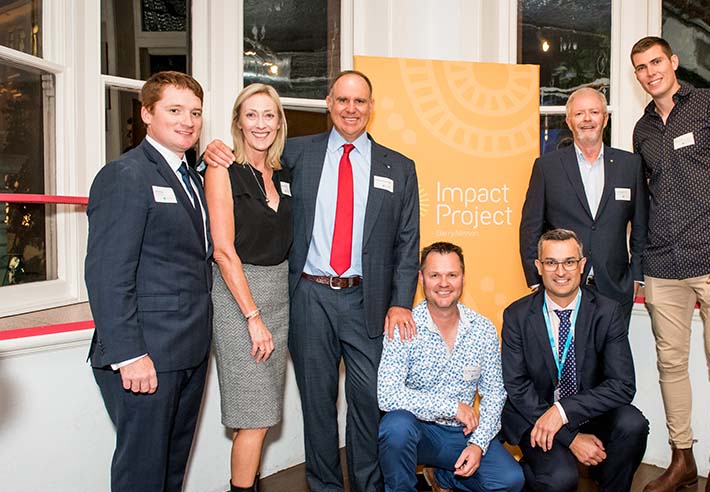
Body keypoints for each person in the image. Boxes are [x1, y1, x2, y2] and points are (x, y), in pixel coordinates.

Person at [202, 70, 420, 492]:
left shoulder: (399, 167)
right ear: (328, 103)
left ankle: (367, 485)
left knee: (367, 400)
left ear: (371, 107)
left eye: (359, 101)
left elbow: (408, 241)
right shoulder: (296, 153)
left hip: (368, 300)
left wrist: (401, 302)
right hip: (308, 297)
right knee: (316, 403)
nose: (351, 109)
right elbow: (245, 163)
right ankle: (324, 486)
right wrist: (210, 152)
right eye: (343, 100)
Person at [630, 36, 710, 492]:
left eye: (656, 62)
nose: (650, 72)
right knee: (670, 365)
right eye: (641, 67)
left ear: (673, 61)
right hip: (663, 264)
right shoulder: (642, 129)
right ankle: (682, 459)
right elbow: (646, 198)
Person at [85, 71, 211, 492]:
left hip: (188, 350)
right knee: (141, 475)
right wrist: (129, 354)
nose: (187, 121)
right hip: (146, 356)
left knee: (170, 472)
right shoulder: (126, 175)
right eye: (174, 110)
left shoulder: (191, 178)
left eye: (195, 112)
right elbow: (107, 274)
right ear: (146, 114)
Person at [501, 229, 648, 492]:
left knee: (632, 424)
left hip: (588, 411)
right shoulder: (517, 316)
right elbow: (517, 387)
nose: (560, 272)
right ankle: (532, 476)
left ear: (582, 265)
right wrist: (571, 438)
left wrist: (563, 411)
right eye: (551, 262)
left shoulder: (607, 312)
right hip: (537, 414)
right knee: (560, 479)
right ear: (538, 267)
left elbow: (623, 385)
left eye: (569, 262)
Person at [377, 242, 524, 492]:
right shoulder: (402, 326)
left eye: (452, 275)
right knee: (395, 427)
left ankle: (443, 476)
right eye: (435, 275)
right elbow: (387, 394)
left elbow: (494, 393)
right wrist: (451, 407)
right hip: (419, 432)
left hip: (462, 435)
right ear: (421, 279)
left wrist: (478, 444)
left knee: (510, 481)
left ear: (463, 278)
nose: (443, 284)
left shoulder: (482, 329)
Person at [205, 83, 293, 492]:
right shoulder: (222, 169)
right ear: (238, 122)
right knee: (254, 417)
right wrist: (252, 317)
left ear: (279, 123)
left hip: (278, 295)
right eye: (251, 115)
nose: (261, 124)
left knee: (262, 415)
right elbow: (224, 251)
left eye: (268, 115)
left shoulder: (284, 173)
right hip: (239, 298)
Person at [520, 87, 648, 324]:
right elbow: (530, 228)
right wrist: (536, 280)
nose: (587, 119)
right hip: (561, 286)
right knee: (565, 347)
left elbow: (641, 226)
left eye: (594, 112)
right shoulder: (547, 167)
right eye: (579, 114)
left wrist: (636, 277)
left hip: (615, 288)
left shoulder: (629, 165)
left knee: (613, 349)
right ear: (569, 121)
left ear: (605, 119)